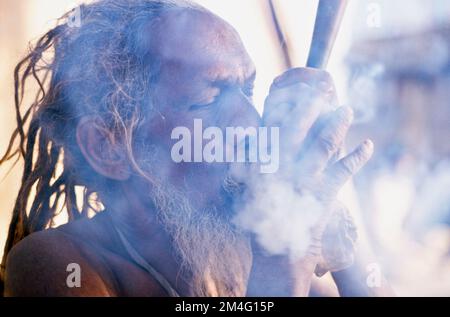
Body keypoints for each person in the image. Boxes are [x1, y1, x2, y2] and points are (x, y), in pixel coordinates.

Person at [0, 0, 392, 296]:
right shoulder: (60, 263)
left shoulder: (246, 249)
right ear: (110, 147)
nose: (250, 124)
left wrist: (324, 216)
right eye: (209, 101)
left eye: (247, 90)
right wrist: (282, 260)